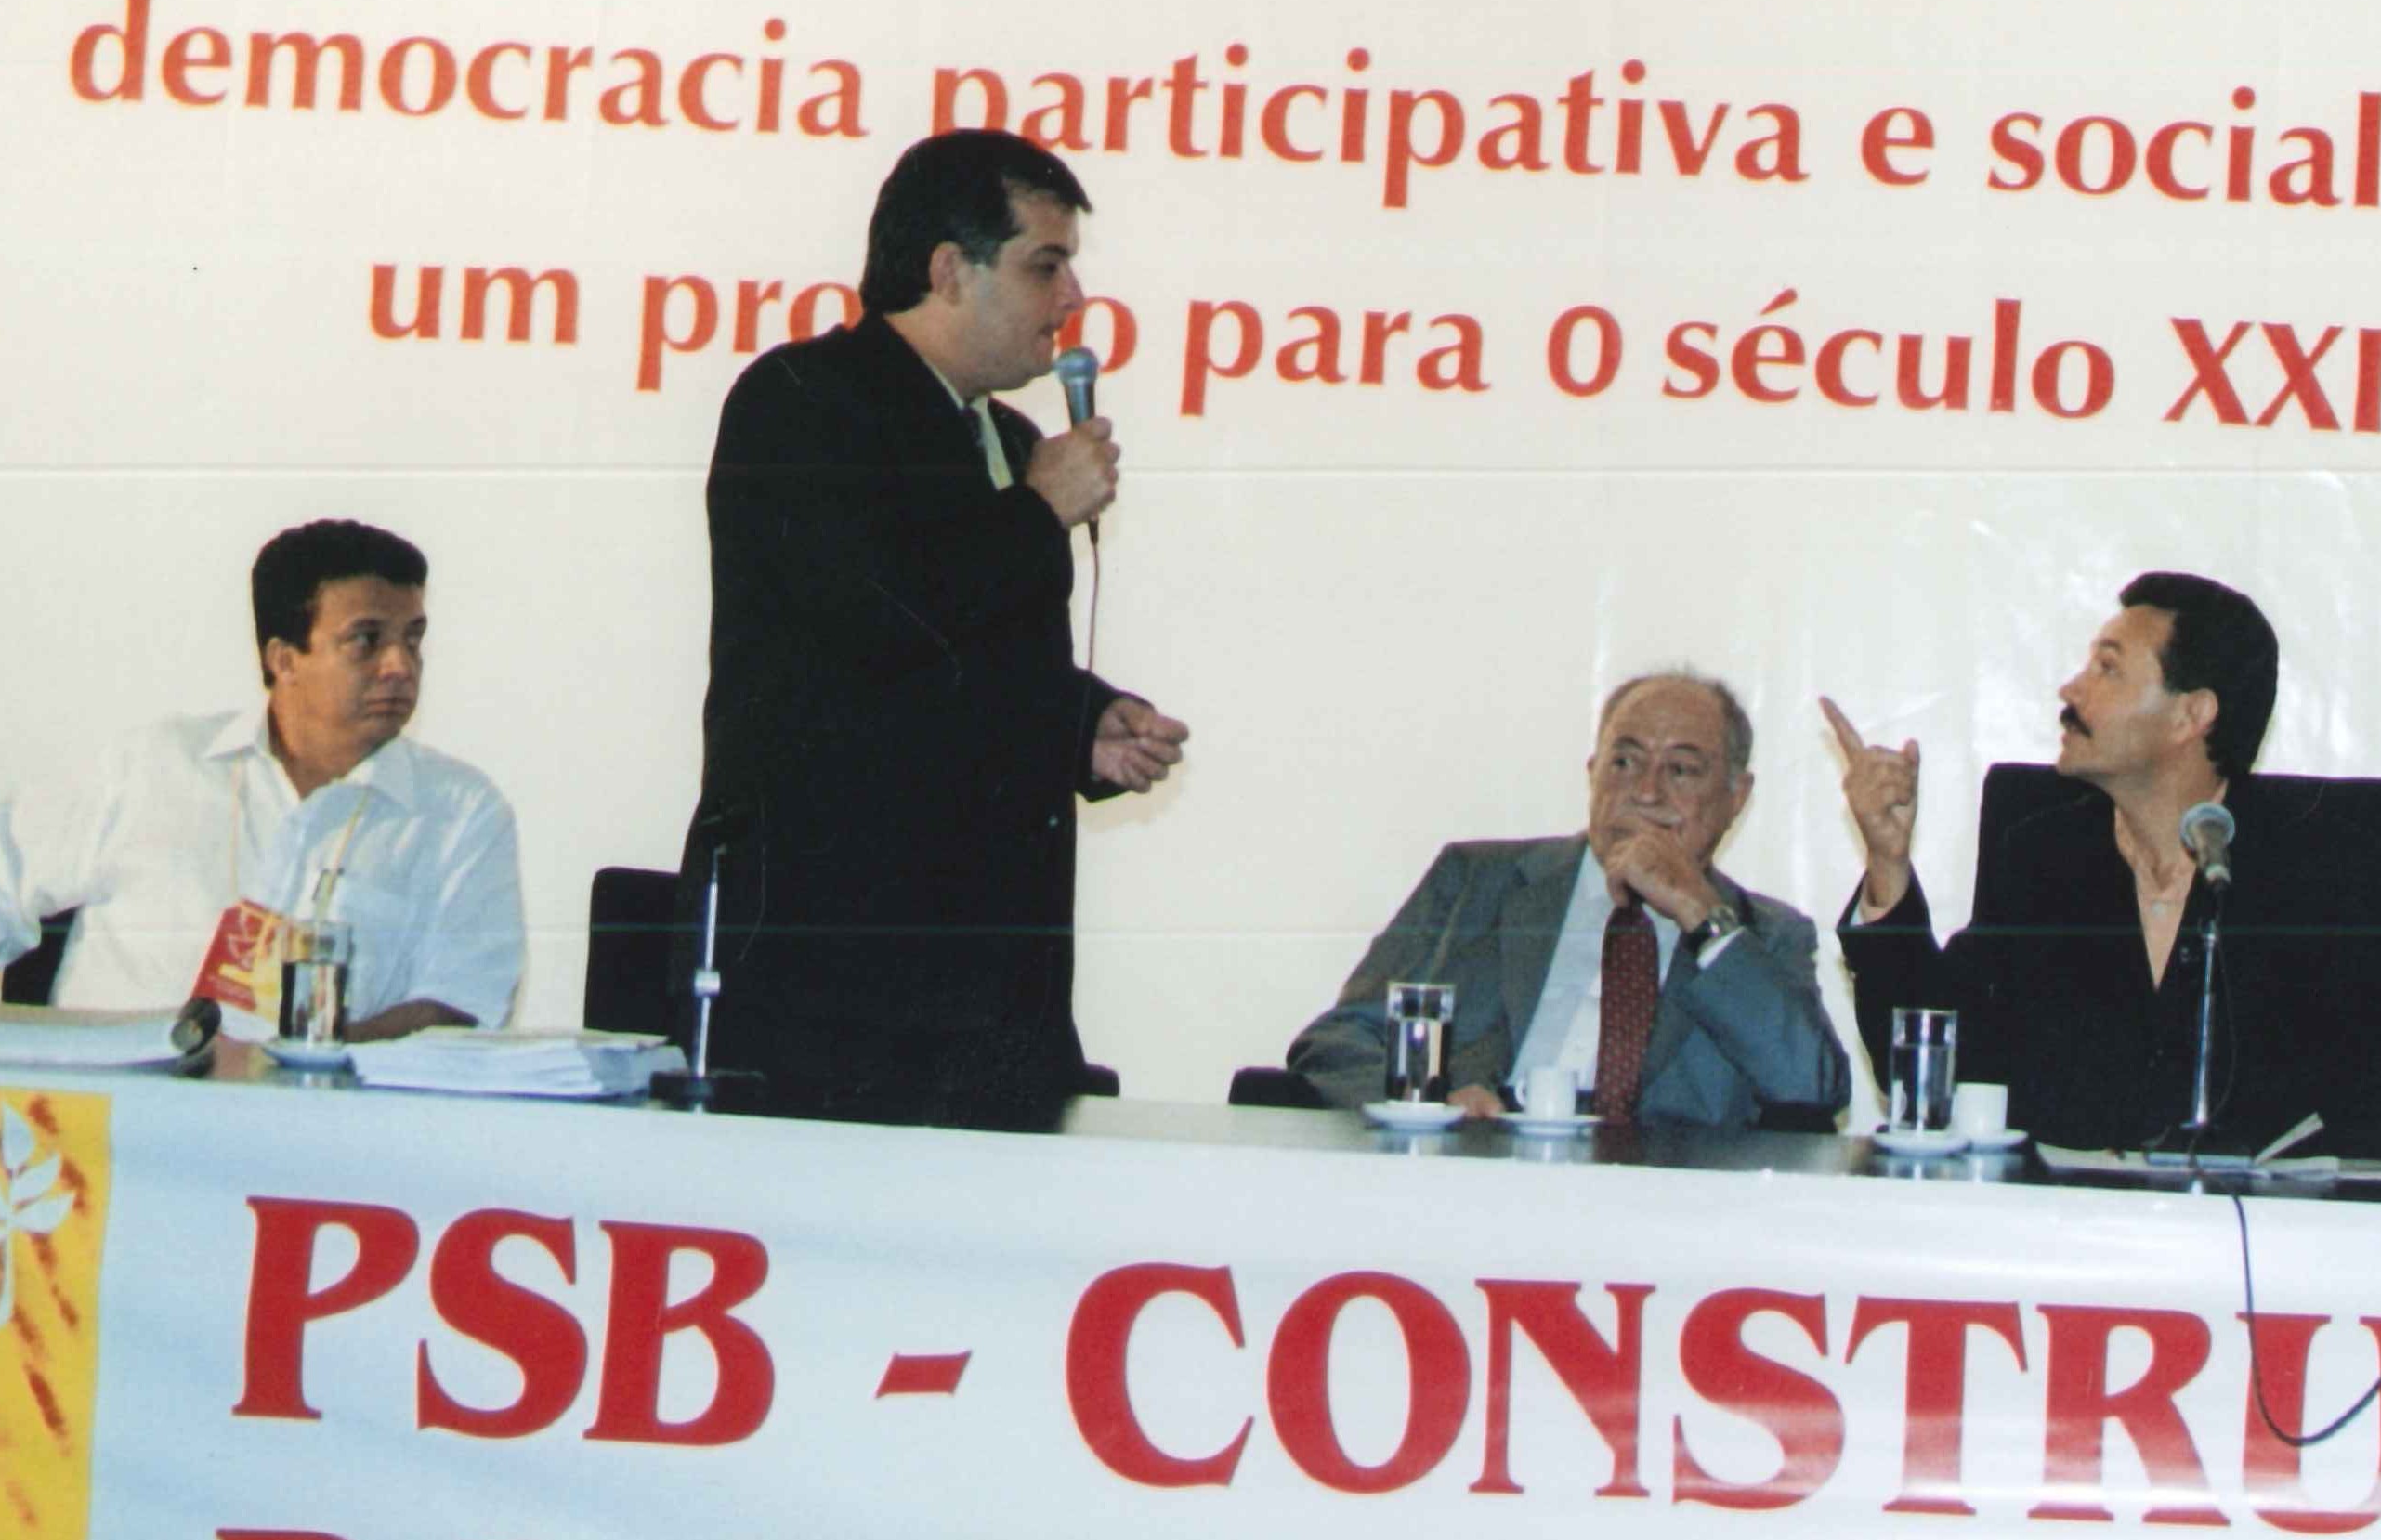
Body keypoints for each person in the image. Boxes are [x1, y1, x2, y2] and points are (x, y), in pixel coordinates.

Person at [687, 129, 1188, 1131]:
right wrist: (1036, 512)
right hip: (834, 994)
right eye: (1045, 265)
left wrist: (1082, 724)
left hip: (994, 999)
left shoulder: (1007, 437)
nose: (1073, 299)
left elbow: (968, 664)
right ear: (950, 269)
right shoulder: (801, 400)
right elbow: (868, 622)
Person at [1825, 572, 2381, 1155]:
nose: (2070, 689)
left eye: (2107, 669)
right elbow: (1930, 1064)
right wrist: (1888, 863)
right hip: (2065, 1232)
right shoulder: (2042, 853)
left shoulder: (2326, 870)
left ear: (2191, 715)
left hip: (2261, 1238)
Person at [0, 519, 521, 1039]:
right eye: (367, 640)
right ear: (284, 659)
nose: (400, 666)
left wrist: (307, 1059)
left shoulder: (461, 811)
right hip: (117, 1114)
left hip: (325, 1122)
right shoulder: (156, 764)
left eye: (413, 639)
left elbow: (459, 1001)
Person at [1286, 672, 1844, 1126]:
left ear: (1736, 797)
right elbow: (1340, 1041)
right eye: (1624, 763)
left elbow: (1811, 1090)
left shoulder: (1765, 936)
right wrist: (1430, 1103)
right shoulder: (1478, 881)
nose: (1646, 791)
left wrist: (1700, 914)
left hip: (1665, 1214)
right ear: (1592, 773)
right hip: (1477, 1182)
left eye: (1680, 770)